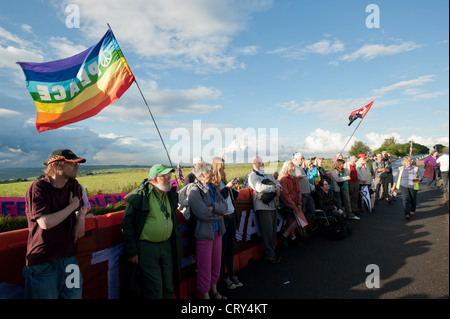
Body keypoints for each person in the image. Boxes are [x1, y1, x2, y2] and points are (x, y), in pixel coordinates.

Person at [23, 149, 87, 299]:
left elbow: (79, 209)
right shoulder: (38, 187)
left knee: (74, 296)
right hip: (44, 263)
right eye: (72, 164)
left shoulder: (73, 185)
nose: (77, 167)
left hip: (69, 259)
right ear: (57, 166)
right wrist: (72, 207)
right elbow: (45, 222)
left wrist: (81, 219)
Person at [121, 164, 182, 299]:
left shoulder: (169, 194)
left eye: (169, 175)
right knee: (154, 288)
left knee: (168, 285)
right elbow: (127, 225)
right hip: (147, 248)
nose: (169, 178)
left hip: (166, 245)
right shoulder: (140, 196)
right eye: (165, 176)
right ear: (154, 179)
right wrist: (132, 251)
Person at [188, 162, 228, 299]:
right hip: (203, 234)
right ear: (202, 174)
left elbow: (225, 207)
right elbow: (201, 213)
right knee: (204, 267)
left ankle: (214, 291)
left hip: (217, 232)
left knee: (216, 265)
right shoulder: (193, 190)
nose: (212, 175)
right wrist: (217, 211)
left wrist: (213, 209)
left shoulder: (213, 187)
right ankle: (206, 295)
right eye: (209, 173)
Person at [210, 157, 243, 290]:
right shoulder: (213, 183)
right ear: (217, 168)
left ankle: (231, 273)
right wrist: (226, 188)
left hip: (231, 216)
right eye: (222, 167)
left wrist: (235, 187)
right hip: (222, 218)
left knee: (230, 247)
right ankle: (223, 277)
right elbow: (217, 200)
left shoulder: (223, 181)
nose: (224, 169)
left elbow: (233, 197)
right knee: (222, 250)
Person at [248, 155, 282, 264]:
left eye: (262, 162)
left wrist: (278, 187)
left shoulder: (267, 174)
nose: (262, 164)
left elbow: (278, 183)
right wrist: (273, 188)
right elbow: (258, 187)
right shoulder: (252, 176)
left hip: (272, 205)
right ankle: (269, 254)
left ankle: (272, 252)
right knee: (267, 232)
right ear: (254, 164)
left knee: (272, 231)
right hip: (263, 206)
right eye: (259, 163)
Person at [278, 161, 304, 247]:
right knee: (294, 221)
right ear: (286, 168)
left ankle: (288, 236)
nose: (293, 168)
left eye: (293, 166)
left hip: (295, 203)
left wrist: (299, 203)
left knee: (294, 221)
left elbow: (299, 191)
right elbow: (285, 195)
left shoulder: (295, 178)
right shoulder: (283, 179)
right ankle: (289, 236)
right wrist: (294, 206)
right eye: (291, 166)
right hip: (287, 204)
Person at [292, 153, 316, 222]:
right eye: (301, 158)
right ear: (296, 159)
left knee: (312, 210)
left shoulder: (300, 167)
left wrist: (311, 186)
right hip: (301, 194)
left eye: (303, 158)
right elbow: (291, 179)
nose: (303, 160)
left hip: (307, 192)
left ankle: (303, 224)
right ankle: (300, 228)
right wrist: (296, 178)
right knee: (301, 212)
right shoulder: (293, 167)